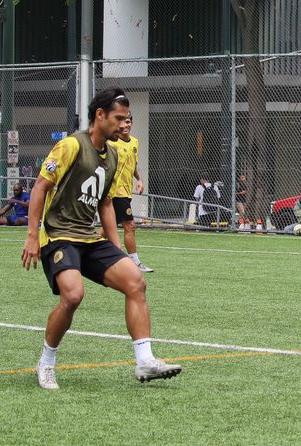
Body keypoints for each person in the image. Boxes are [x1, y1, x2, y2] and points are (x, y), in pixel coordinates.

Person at [21, 88, 182, 390]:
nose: (125, 125)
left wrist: (115, 249)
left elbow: (105, 203)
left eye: (128, 119)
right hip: (59, 236)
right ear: (100, 115)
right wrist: (32, 236)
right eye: (119, 118)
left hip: (88, 238)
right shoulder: (71, 145)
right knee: (72, 296)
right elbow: (41, 187)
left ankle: (145, 361)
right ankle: (46, 363)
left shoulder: (115, 156)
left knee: (135, 281)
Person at [104, 113, 153, 273]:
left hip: (125, 192)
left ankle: (84, 254)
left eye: (129, 121)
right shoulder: (111, 142)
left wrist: (139, 180)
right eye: (123, 121)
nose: (126, 124)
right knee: (130, 225)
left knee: (106, 229)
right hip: (114, 191)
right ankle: (135, 262)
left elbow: (134, 166)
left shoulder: (135, 142)